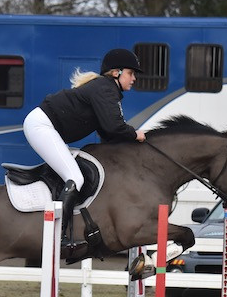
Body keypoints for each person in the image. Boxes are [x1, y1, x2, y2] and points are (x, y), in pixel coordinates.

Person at [23, 48, 146, 244]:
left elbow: (108, 134)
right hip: (41, 126)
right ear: (116, 72)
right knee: (75, 177)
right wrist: (135, 134)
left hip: (45, 126)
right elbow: (114, 127)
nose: (134, 79)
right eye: (131, 73)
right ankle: (56, 235)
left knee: (75, 173)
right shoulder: (105, 89)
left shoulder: (106, 90)